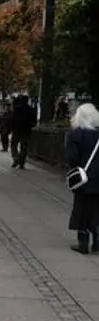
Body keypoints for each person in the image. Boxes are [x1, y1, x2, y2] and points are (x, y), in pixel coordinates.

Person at [66, 103, 99, 254]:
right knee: (96, 210)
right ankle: (97, 242)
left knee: (82, 208)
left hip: (84, 177)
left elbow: (73, 157)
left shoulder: (76, 134)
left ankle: (83, 242)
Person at [10, 95, 37, 169]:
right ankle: (22, 162)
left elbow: (12, 119)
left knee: (13, 145)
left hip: (16, 130)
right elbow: (34, 121)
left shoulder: (17, 109)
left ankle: (16, 157)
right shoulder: (30, 109)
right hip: (26, 131)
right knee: (24, 147)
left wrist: (11, 128)